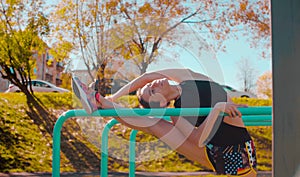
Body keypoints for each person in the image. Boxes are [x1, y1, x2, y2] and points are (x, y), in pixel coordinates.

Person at [72, 68, 257, 176]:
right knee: (155, 125)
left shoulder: (185, 77)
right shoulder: (177, 113)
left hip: (242, 153)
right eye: (151, 92)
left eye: (149, 87)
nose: (151, 85)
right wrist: (217, 110)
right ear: (160, 103)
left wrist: (116, 95)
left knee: (155, 125)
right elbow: (198, 140)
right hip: (225, 156)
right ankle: (97, 100)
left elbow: (146, 77)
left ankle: (103, 102)